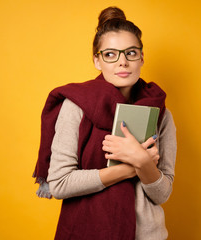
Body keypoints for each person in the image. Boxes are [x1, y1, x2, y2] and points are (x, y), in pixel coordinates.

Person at [33, 6, 177, 240]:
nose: (122, 62)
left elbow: (162, 194)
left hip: (147, 234)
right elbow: (59, 183)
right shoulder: (77, 105)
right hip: (86, 231)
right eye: (110, 54)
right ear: (97, 61)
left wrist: (142, 162)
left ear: (141, 57)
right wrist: (134, 165)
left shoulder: (160, 113)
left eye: (131, 53)